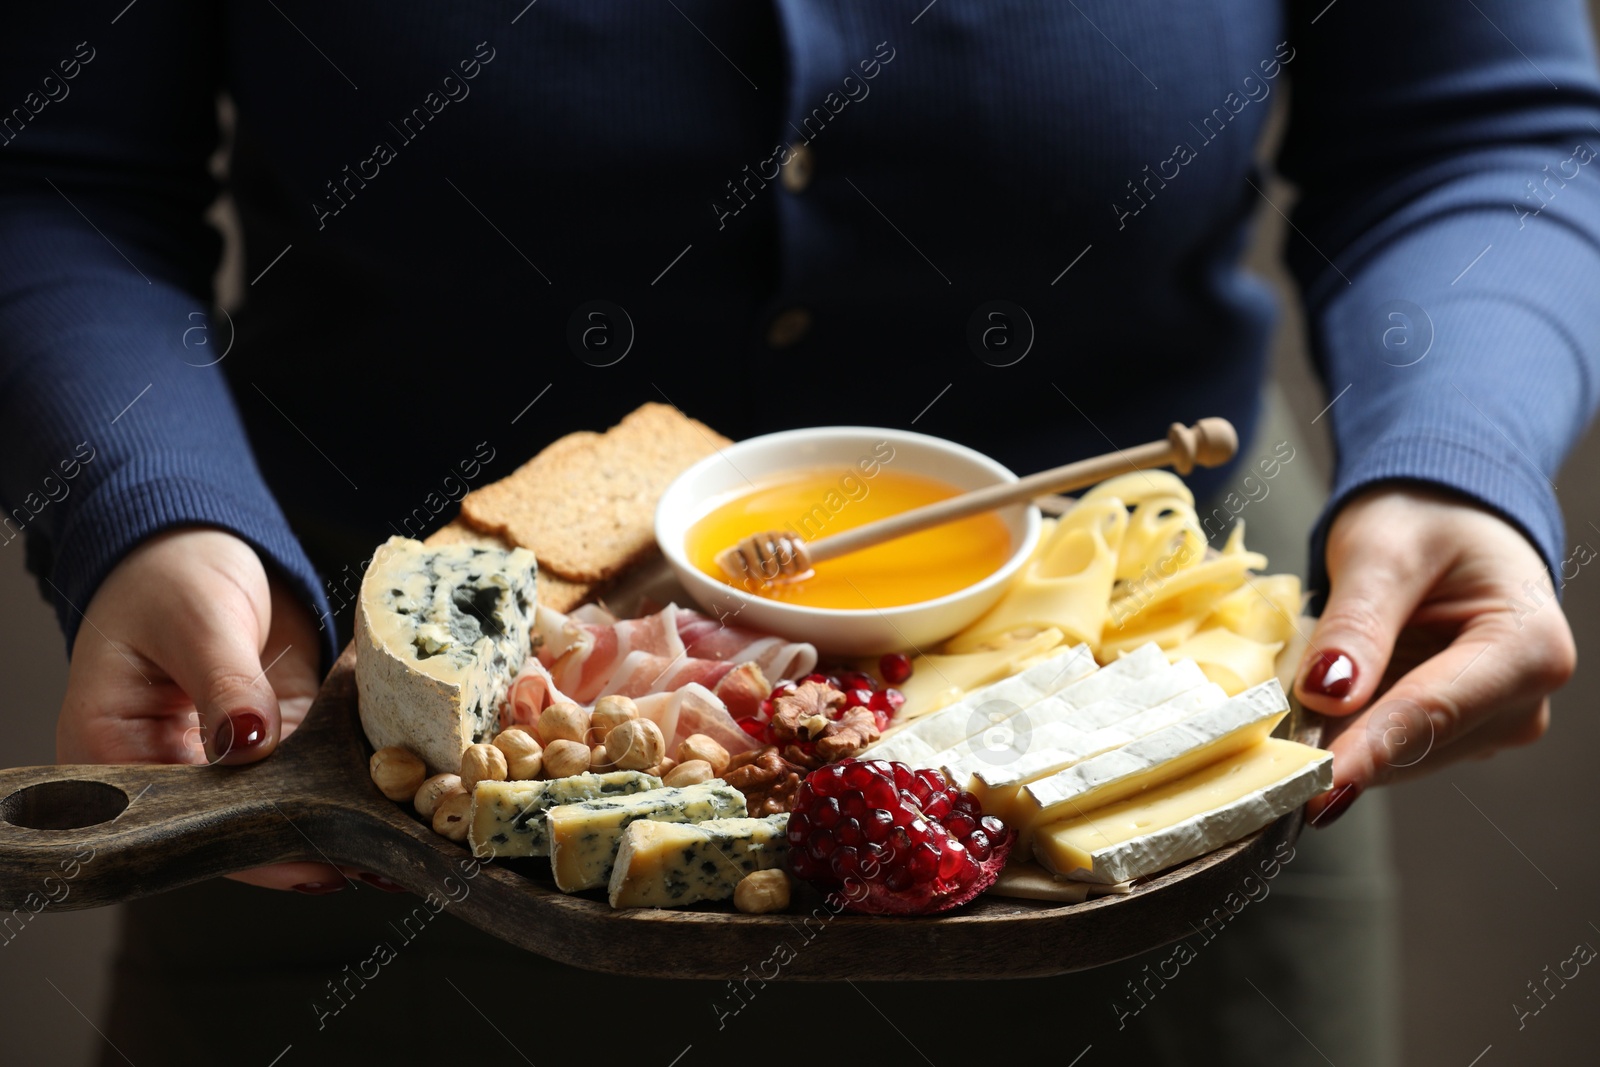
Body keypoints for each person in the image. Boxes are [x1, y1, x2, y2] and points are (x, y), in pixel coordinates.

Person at [2, 3, 1593, 1064]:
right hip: (359, 748)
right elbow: (51, 165)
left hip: (1165, 756)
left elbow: (1479, 126)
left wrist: (1457, 461)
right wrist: (151, 518)